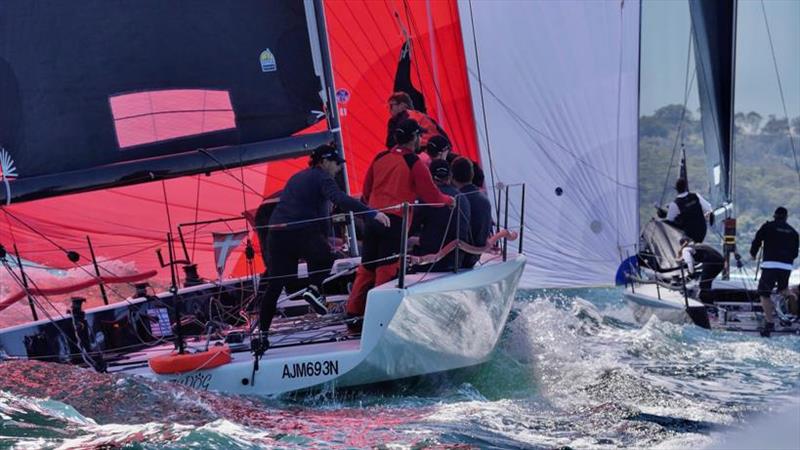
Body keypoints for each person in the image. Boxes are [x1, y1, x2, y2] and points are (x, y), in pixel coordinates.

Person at [254, 144, 390, 354]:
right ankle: (314, 289)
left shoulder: (297, 177)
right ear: (324, 162)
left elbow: (312, 209)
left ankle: (262, 336)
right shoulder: (322, 177)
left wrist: (326, 237)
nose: (338, 169)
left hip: (276, 233)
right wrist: (372, 213)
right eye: (336, 163)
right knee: (327, 257)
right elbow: (340, 199)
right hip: (299, 231)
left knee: (275, 285)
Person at [346, 118, 454, 326]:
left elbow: (366, 193)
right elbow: (432, 197)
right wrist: (449, 200)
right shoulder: (414, 162)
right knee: (386, 269)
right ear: (413, 138)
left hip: (372, 218)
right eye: (419, 136)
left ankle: (353, 313)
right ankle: (378, 319)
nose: (420, 139)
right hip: (394, 222)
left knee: (367, 268)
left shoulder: (380, 157)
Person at [410, 160, 470, 271]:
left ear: (430, 176)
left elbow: (411, 227)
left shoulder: (427, 198)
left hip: (430, 264)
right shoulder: (463, 197)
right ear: (450, 176)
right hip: (457, 261)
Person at [749, 207, 799, 337]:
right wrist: (786, 261)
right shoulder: (793, 232)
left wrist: (753, 254)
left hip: (770, 265)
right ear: (786, 217)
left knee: (764, 293)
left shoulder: (768, 226)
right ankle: (795, 314)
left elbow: (757, 240)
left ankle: (769, 322)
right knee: (784, 290)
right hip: (786, 266)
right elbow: (795, 253)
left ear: (774, 216)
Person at [451, 157, 493, 268]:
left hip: (457, 259)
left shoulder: (455, 199)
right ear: (472, 174)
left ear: (452, 176)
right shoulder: (484, 200)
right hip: (474, 257)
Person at [666, 178, 713, 243]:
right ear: (686, 187)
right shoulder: (696, 196)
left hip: (689, 236)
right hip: (702, 232)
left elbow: (669, 221)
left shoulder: (674, 204)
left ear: (677, 190)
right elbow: (708, 208)